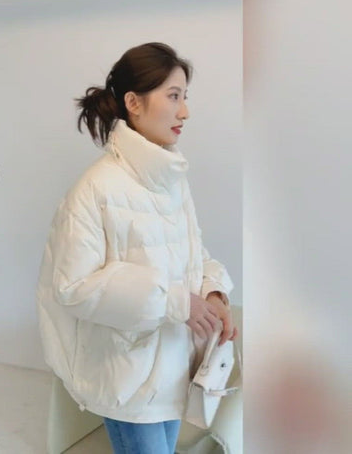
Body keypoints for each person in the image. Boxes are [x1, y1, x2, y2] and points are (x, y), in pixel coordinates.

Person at [36, 42, 238, 454]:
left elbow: (193, 255)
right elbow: (73, 287)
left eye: (185, 97)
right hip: (126, 378)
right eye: (174, 96)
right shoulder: (95, 188)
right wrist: (175, 302)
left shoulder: (171, 180)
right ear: (134, 103)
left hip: (173, 368)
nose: (185, 111)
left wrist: (213, 293)